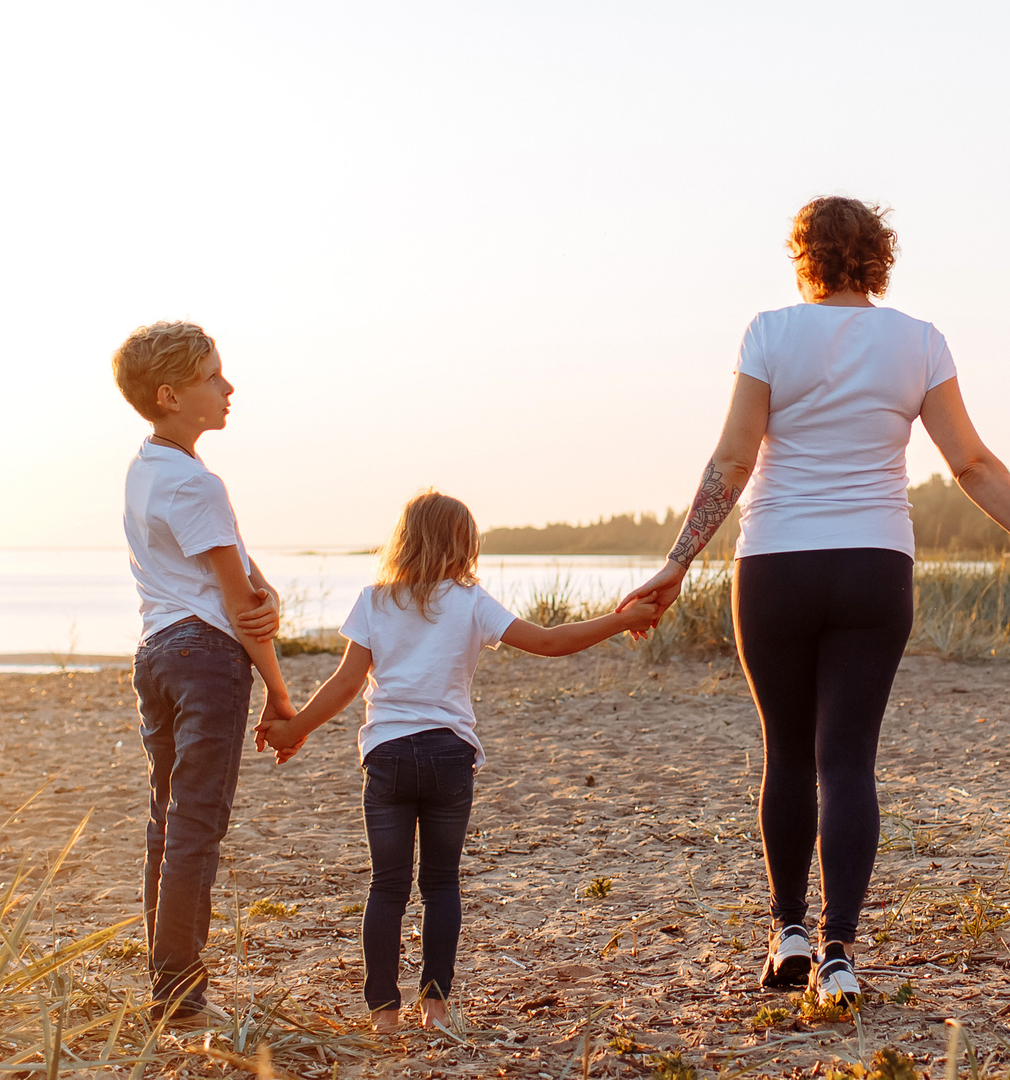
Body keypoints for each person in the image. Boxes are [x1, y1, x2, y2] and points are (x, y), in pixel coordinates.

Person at [624, 197, 1010, 1007]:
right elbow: (973, 464)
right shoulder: (919, 340)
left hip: (775, 563)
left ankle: (788, 932)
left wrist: (677, 561)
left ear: (802, 256)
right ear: (879, 257)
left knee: (786, 752)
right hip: (874, 564)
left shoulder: (769, 332)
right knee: (846, 760)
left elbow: (734, 459)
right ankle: (838, 950)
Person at [263, 491, 660, 1030]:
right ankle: (435, 1006)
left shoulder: (374, 600)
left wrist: (295, 730)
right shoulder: (472, 601)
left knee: (387, 886)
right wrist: (621, 619)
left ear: (405, 540)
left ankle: (383, 1015)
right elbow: (549, 642)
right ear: (463, 545)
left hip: (387, 755)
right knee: (441, 884)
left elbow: (346, 683)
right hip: (449, 753)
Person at [115, 320, 296, 1027]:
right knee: (195, 826)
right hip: (206, 659)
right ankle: (180, 997)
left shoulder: (147, 467)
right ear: (169, 395)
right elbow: (242, 609)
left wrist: (264, 591)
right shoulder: (197, 483)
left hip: (156, 654)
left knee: (168, 821)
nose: (228, 387)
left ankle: (169, 987)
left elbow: (244, 580)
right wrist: (279, 693)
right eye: (212, 376)